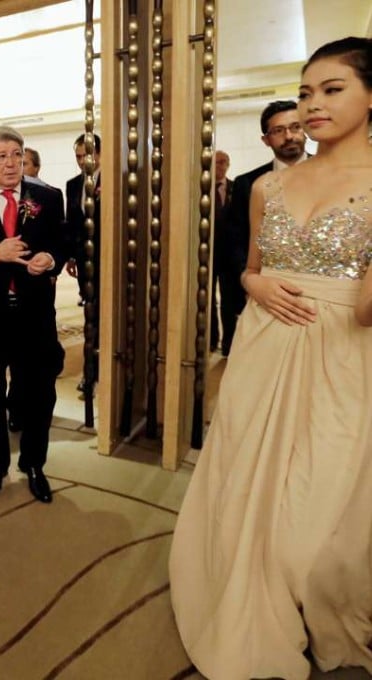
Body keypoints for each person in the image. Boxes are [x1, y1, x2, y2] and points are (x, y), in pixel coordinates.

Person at [170, 37, 372, 680]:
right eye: (307, 90)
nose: (313, 104)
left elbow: (366, 310)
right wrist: (253, 285)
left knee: (322, 519)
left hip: (343, 354)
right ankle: (245, 597)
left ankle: (319, 608)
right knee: (243, 488)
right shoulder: (269, 186)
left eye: (332, 89)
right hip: (263, 345)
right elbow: (251, 269)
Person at [0, 126, 66, 501]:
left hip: (34, 314)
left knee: (39, 392)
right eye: (1, 156)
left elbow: (62, 242)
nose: (11, 162)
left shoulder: (49, 198)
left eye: (16, 154)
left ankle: (34, 463)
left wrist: (50, 259)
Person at [224, 100, 311, 353]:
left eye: (295, 127)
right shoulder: (249, 183)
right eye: (279, 130)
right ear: (266, 140)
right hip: (265, 295)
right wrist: (251, 282)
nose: (289, 136)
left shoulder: (336, 175)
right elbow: (237, 239)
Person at [65, 133, 102, 393]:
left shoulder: (113, 181)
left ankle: (95, 370)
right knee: (90, 313)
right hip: (83, 260)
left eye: (85, 156)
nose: (81, 161)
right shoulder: (73, 184)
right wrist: (70, 255)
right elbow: (72, 223)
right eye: (77, 156)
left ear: (98, 154)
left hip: (107, 260)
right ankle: (91, 368)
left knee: (102, 316)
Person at [209, 150, 234, 353]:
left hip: (229, 256)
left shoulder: (237, 189)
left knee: (228, 299)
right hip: (206, 254)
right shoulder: (201, 190)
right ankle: (210, 339)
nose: (220, 166)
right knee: (207, 299)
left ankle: (228, 343)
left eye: (223, 162)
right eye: (216, 162)